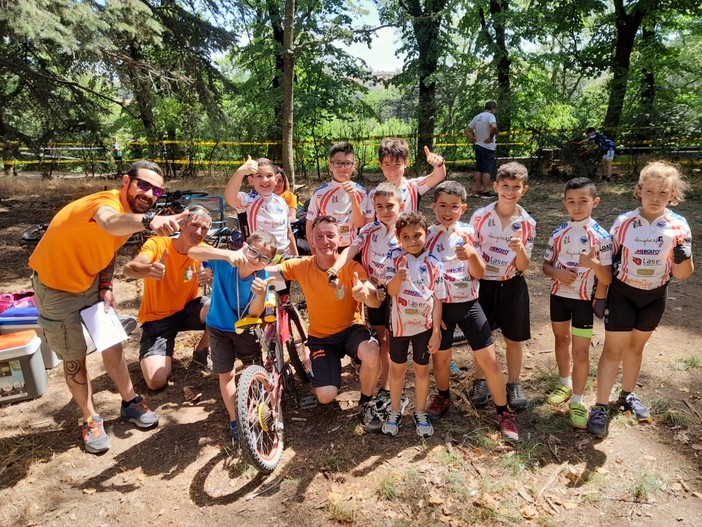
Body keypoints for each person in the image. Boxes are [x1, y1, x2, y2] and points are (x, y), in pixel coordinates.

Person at [29, 160, 187, 454]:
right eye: (144, 185)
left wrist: (105, 285)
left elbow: (110, 247)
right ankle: (90, 418)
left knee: (112, 343)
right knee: (75, 357)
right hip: (56, 288)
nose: (150, 193)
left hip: (91, 283)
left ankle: (129, 402)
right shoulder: (106, 203)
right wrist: (150, 221)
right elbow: (109, 223)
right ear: (126, 182)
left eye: (157, 190)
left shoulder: (133, 213)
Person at [587, 161, 694, 436]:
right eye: (650, 191)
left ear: (672, 194)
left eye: (663, 193)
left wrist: (686, 258)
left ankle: (627, 395)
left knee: (635, 348)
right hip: (623, 293)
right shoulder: (623, 223)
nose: (655, 198)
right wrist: (600, 296)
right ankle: (600, 405)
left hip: (655, 296)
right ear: (639, 191)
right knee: (613, 350)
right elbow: (607, 263)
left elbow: (683, 274)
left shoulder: (679, 226)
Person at [268, 215, 384, 433]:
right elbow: (269, 271)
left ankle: (366, 402)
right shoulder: (302, 265)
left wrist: (364, 294)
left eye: (330, 235)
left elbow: (374, 298)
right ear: (311, 241)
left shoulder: (351, 266)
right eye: (319, 236)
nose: (325, 241)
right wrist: (240, 267)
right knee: (325, 396)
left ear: (340, 240)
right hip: (321, 338)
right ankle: (317, 364)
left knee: (372, 349)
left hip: (351, 330)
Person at [425, 181, 519, 441]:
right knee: (441, 360)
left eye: (454, 206)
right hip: (440, 308)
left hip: (469, 304)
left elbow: (480, 273)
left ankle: (504, 412)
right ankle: (443, 397)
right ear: (434, 206)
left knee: (488, 360)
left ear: (463, 208)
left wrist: (473, 255)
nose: (447, 211)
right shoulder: (426, 234)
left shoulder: (469, 232)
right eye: (442, 205)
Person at [189, 231, 278, 444]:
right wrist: (226, 254)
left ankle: (258, 408)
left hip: (245, 329)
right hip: (218, 327)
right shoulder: (224, 262)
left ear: (268, 262)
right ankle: (236, 419)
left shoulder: (262, 277)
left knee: (253, 369)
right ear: (245, 247)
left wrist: (259, 295)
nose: (256, 259)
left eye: (264, 258)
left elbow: (255, 314)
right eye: (253, 251)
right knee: (226, 375)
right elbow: (192, 251)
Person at [542, 177, 613, 429]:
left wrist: (592, 265)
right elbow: (545, 266)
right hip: (559, 297)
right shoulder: (558, 232)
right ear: (564, 203)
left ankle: (578, 400)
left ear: (595, 202)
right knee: (561, 340)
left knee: (581, 352)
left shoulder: (602, 237)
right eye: (571, 201)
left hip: (583, 301)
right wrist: (557, 273)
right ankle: (564, 384)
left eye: (583, 201)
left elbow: (607, 277)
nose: (577, 206)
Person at [328, 183, 403, 416]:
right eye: (379, 206)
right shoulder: (369, 230)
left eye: (390, 206)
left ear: (401, 205)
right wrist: (335, 270)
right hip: (374, 290)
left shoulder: (406, 229)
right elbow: (350, 250)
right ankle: (384, 385)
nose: (385, 210)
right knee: (381, 339)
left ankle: (392, 386)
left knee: (394, 341)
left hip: (399, 293)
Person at [123, 205, 214, 391]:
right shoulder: (158, 244)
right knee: (156, 383)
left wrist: (212, 277)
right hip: (157, 320)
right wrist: (148, 270)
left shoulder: (204, 251)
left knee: (220, 307)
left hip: (187, 309)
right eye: (194, 225)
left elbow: (224, 275)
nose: (199, 232)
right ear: (182, 225)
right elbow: (128, 270)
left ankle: (202, 351)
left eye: (204, 229)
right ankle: (160, 353)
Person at [469, 162, 536, 411]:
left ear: (524, 189)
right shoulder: (480, 216)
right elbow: (471, 250)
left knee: (513, 338)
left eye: (515, 187)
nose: (510, 191)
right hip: (483, 284)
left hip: (512, 285)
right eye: (505, 186)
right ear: (495, 186)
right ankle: (480, 380)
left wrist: (519, 252)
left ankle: (514, 383)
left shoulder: (528, 223)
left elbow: (524, 265)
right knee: (482, 337)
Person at [382, 211, 444, 438]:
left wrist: (436, 331)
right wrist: (397, 278)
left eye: (417, 235)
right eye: (405, 236)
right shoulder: (392, 257)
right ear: (398, 238)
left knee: (421, 369)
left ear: (426, 234)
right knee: (397, 369)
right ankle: (395, 410)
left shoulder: (435, 262)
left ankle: (420, 411)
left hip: (424, 327)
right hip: (398, 326)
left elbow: (438, 298)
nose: (412, 241)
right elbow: (390, 292)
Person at [305, 142, 373, 253]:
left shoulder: (361, 192)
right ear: (330, 165)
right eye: (338, 163)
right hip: (325, 248)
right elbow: (309, 224)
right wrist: (313, 252)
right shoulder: (319, 193)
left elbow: (360, 223)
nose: (342, 167)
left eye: (347, 163)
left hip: (351, 249)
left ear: (354, 166)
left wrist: (352, 196)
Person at [224, 156, 298, 257]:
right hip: (259, 259)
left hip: (284, 259)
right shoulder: (249, 200)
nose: (264, 180)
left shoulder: (281, 201)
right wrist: (240, 173)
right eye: (259, 176)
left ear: (276, 179)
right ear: (251, 180)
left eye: (269, 175)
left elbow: (289, 234)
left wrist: (296, 257)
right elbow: (230, 197)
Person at [368, 137, 446, 213]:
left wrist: (439, 163)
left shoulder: (414, 186)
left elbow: (439, 176)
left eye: (397, 164)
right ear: (380, 164)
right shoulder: (374, 193)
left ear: (406, 163)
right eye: (387, 164)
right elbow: (369, 222)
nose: (392, 170)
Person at [465, 101, 498, 197]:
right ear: (493, 108)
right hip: (488, 147)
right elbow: (494, 126)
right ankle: (485, 191)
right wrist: (491, 137)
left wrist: (474, 140)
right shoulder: (491, 116)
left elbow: (468, 130)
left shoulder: (477, 117)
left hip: (478, 145)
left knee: (479, 168)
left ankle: (478, 190)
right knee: (487, 170)